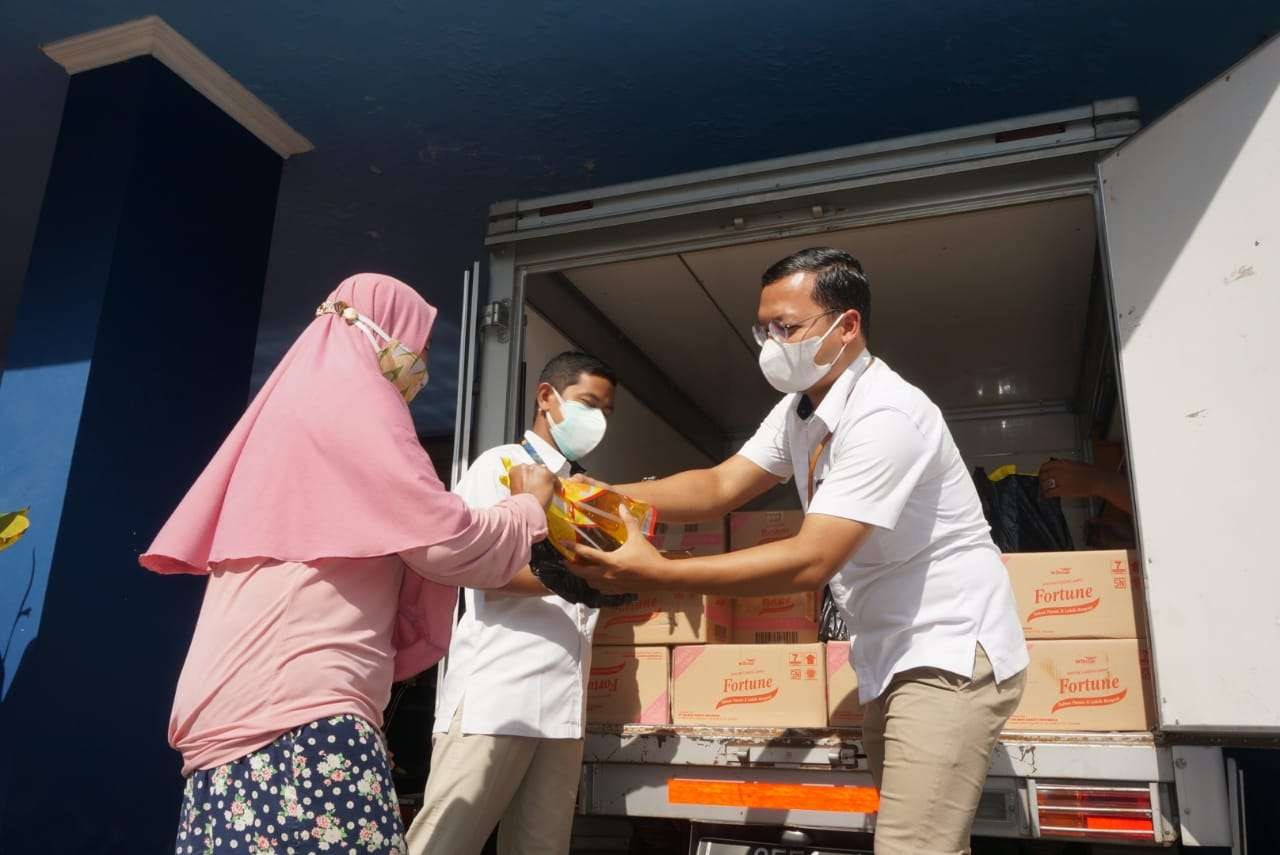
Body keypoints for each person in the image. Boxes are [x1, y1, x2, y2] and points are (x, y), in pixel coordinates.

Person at [568, 248, 1029, 855]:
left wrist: (655, 569)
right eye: (763, 328)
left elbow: (813, 559)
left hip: (946, 648)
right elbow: (720, 486)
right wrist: (602, 493)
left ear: (847, 327)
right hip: (891, 651)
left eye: (787, 328)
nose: (770, 343)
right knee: (929, 842)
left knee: (913, 847)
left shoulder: (886, 414)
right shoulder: (801, 409)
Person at [140, 273, 556, 855]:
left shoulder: (293, 413)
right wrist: (528, 506)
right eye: (423, 346)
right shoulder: (360, 406)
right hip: (299, 719)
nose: (423, 365)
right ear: (383, 334)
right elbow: (443, 541)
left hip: (236, 726)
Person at [406, 352, 619, 855]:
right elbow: (488, 573)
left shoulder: (587, 491)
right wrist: (587, 579)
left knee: (541, 847)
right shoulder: (500, 465)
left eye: (607, 411)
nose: (600, 421)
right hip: (498, 698)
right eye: (589, 404)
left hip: (563, 707)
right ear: (546, 397)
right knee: (443, 843)